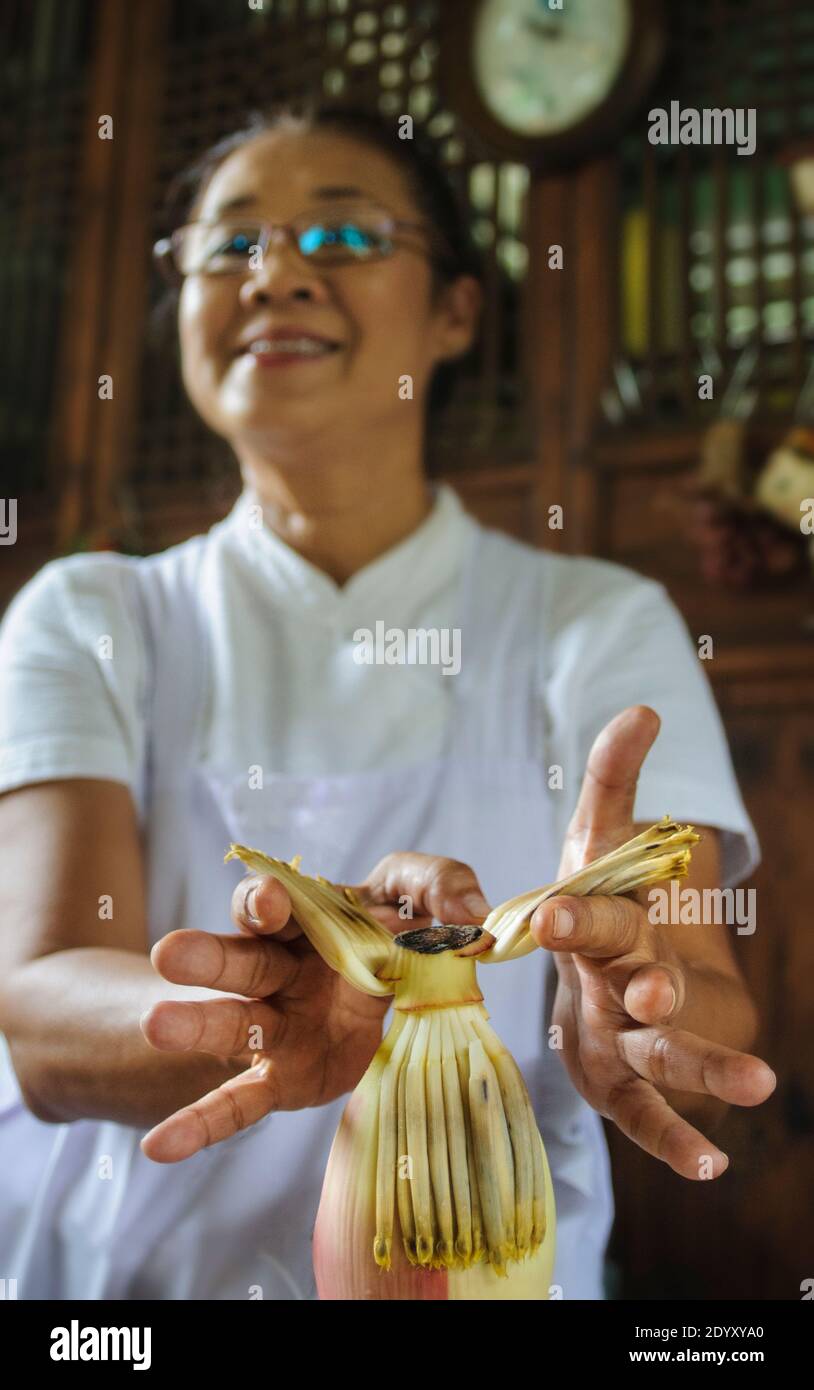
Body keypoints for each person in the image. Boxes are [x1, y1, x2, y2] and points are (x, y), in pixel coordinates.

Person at [0, 101, 775, 1301]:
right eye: (229, 245)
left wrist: (635, 1012)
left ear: (456, 309)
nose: (277, 277)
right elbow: (38, 1008)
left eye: (347, 239)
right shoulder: (87, 613)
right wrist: (265, 1009)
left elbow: (695, 997)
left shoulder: (596, 624)